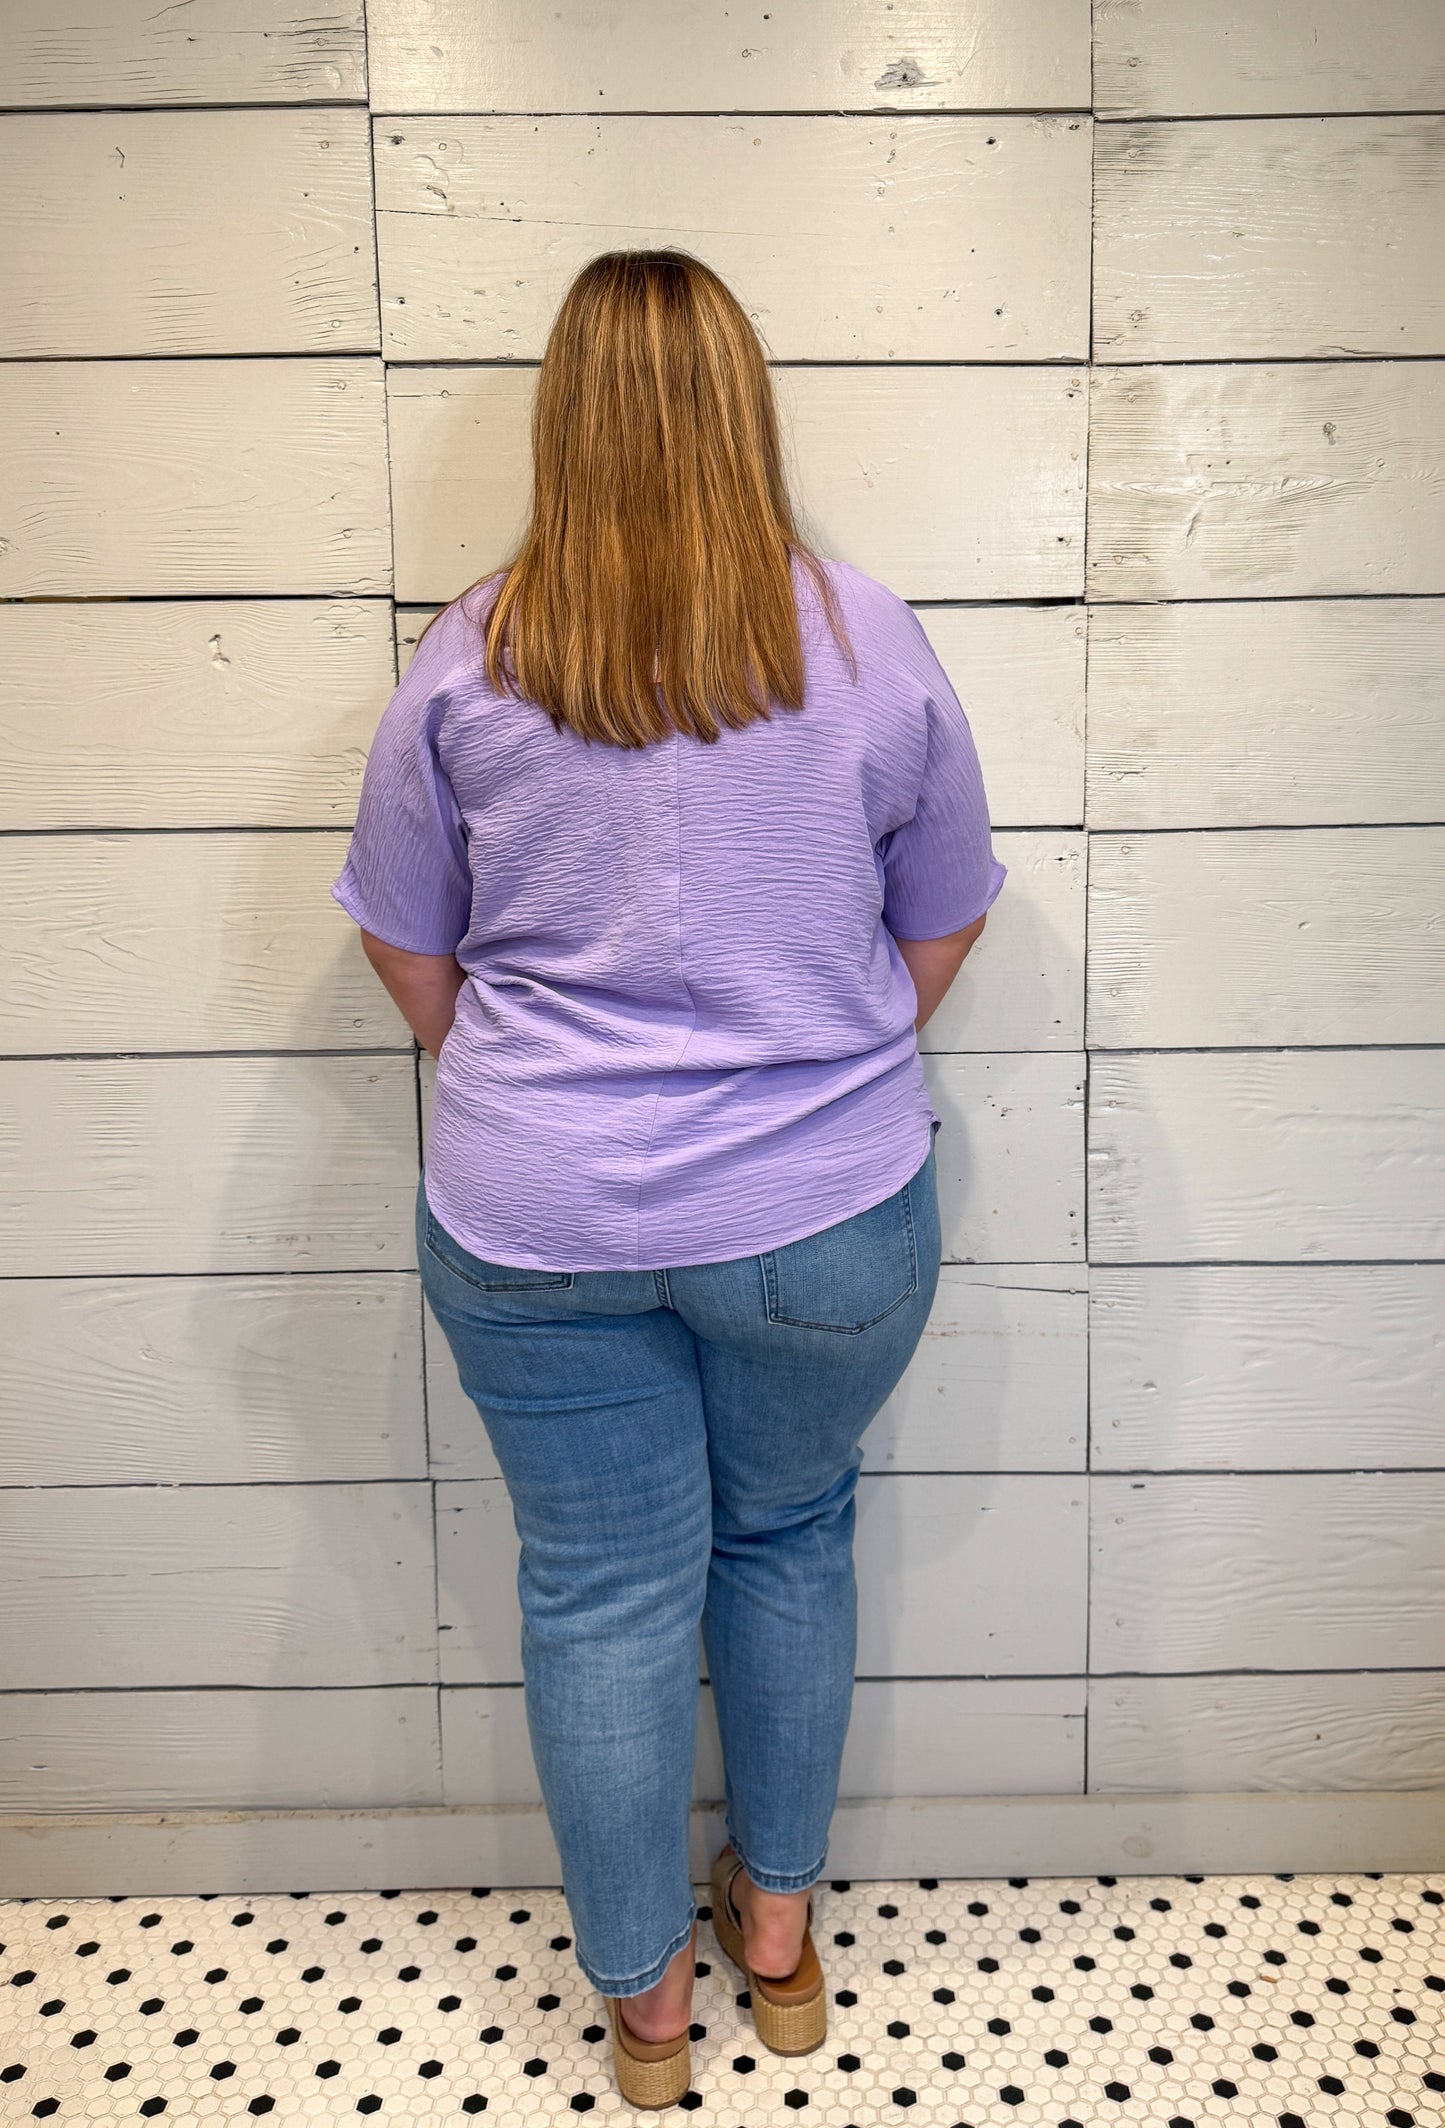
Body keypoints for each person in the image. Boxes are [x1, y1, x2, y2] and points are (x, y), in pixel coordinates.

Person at [330, 247, 1006, 2110]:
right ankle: (776, 1944)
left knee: (601, 1593)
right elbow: (939, 921)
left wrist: (536, 1095)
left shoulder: (473, 655)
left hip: (532, 1217)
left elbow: (404, 941)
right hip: (825, 1216)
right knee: (785, 1537)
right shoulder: (866, 636)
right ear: (742, 409)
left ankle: (645, 2017)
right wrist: (821, 1044)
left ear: (562, 418)